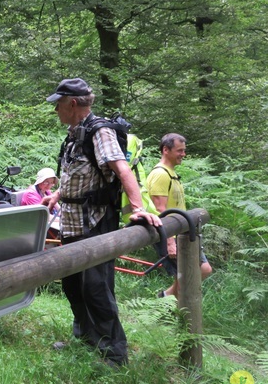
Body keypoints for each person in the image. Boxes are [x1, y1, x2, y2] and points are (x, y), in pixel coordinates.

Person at [46, 77, 161, 367]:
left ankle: (114, 354)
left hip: (95, 223)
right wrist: (58, 193)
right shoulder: (76, 134)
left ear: (72, 103)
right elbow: (80, 173)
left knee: (96, 287)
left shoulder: (101, 131)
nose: (55, 109)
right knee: (73, 284)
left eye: (58, 104)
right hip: (71, 224)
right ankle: (85, 339)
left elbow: (122, 169)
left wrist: (137, 207)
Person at [147, 133, 212, 298]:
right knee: (195, 271)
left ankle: (166, 300)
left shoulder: (171, 173)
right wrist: (169, 242)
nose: (183, 154)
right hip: (170, 235)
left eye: (184, 150)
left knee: (195, 272)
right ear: (166, 150)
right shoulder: (160, 174)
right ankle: (171, 304)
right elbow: (160, 210)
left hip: (181, 233)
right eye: (180, 150)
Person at [21, 167, 61, 234]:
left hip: (46, 222)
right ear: (40, 181)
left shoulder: (45, 191)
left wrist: (62, 214)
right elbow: (42, 215)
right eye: (46, 182)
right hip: (35, 227)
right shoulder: (30, 194)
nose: (49, 185)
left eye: (51, 182)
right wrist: (60, 220)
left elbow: (55, 203)